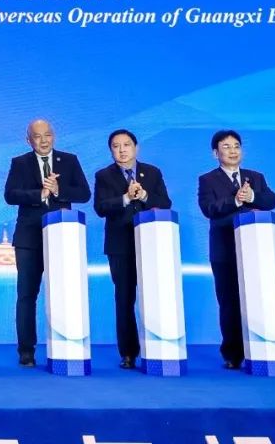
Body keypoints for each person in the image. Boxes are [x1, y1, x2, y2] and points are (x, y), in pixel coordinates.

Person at [4, 118, 90, 367]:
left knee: (65, 293)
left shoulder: (69, 160)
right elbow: (10, 195)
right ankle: (26, 351)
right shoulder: (20, 162)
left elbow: (84, 193)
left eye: (48, 135)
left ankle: (65, 346)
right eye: (37, 136)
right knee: (27, 295)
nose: (43, 140)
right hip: (29, 238)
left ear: (54, 136)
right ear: (28, 140)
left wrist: (58, 190)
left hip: (63, 237)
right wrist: (39, 194)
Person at [198, 129, 275, 370]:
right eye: (226, 147)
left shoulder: (256, 177)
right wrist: (235, 200)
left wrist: (252, 196)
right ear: (215, 153)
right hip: (224, 250)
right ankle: (233, 354)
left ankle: (261, 349)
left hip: (256, 250)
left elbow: (271, 201)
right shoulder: (207, 179)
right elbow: (209, 209)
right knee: (229, 301)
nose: (232, 151)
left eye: (236, 146)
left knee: (258, 299)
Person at [93, 129, 171, 369]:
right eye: (116, 146)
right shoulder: (104, 175)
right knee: (124, 298)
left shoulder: (152, 172)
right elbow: (100, 208)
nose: (122, 150)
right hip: (120, 245)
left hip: (152, 243)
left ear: (136, 147)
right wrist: (126, 198)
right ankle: (128, 352)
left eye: (126, 145)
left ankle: (157, 348)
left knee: (156, 296)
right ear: (111, 150)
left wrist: (145, 195)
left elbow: (165, 203)